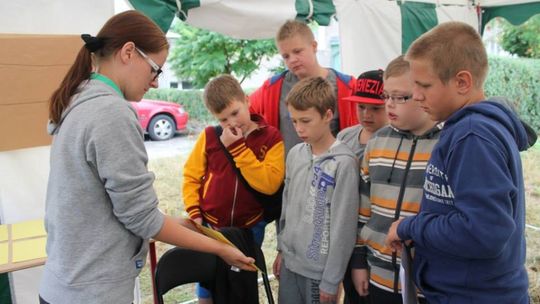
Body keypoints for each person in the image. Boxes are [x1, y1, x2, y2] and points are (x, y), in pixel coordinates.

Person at [40, 11, 254, 304]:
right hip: (92, 291)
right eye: (156, 69)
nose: (155, 82)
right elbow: (143, 219)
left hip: (63, 283)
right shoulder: (111, 112)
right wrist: (219, 249)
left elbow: (118, 206)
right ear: (128, 52)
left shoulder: (77, 98)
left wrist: (172, 222)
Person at [385, 21, 530, 304]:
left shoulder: (472, 136)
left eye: (424, 85)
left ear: (462, 82)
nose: (416, 95)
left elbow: (485, 232)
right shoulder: (464, 130)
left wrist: (411, 227)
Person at [182, 74, 285, 304]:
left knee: (241, 282)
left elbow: (270, 185)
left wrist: (238, 149)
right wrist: (194, 212)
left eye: (235, 113)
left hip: (250, 225)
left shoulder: (271, 137)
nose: (231, 123)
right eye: (223, 119)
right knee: (207, 281)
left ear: (247, 101)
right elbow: (191, 176)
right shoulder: (210, 136)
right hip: (212, 224)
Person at [353, 55, 440, 304]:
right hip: (379, 275)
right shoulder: (377, 143)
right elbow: (362, 209)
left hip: (428, 280)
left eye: (400, 97)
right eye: (386, 96)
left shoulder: (446, 145)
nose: (390, 105)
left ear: (424, 94)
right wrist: (359, 262)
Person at [273, 77, 359, 304]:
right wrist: (281, 248)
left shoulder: (344, 164)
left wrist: (331, 280)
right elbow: (287, 206)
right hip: (290, 263)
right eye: (294, 121)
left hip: (318, 272)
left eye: (306, 120)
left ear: (328, 115)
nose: (299, 128)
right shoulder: (295, 154)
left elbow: (344, 227)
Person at [250, 19, 358, 155]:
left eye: (297, 51)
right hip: (289, 173)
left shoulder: (347, 86)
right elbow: (242, 111)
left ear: (314, 46)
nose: (292, 59)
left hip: (332, 171)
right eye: (286, 56)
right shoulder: (271, 88)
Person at [336, 69, 388, 303]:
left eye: (375, 108)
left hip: (376, 241)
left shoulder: (393, 142)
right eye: (360, 106)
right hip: (346, 236)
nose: (366, 114)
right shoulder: (345, 137)